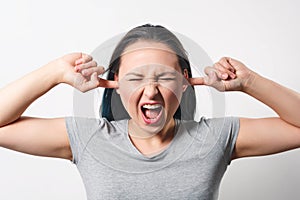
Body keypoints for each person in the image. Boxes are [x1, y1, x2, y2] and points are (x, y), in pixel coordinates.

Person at [0, 24, 299, 200]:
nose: (151, 91)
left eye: (164, 77)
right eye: (136, 77)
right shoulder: (89, 139)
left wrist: (249, 82)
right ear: (115, 83)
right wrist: (54, 73)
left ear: (185, 81)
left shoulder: (214, 138)